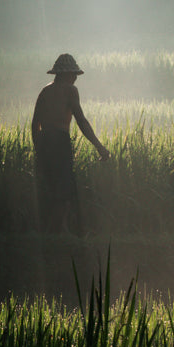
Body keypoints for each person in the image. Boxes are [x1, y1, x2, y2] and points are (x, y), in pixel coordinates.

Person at [31, 53, 109, 232]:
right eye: (73, 74)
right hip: (59, 141)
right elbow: (81, 121)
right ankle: (57, 232)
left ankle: (58, 231)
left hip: (44, 141)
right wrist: (100, 147)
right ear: (65, 74)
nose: (75, 78)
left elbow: (35, 124)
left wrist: (38, 148)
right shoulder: (70, 90)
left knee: (51, 189)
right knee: (64, 190)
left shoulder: (45, 91)